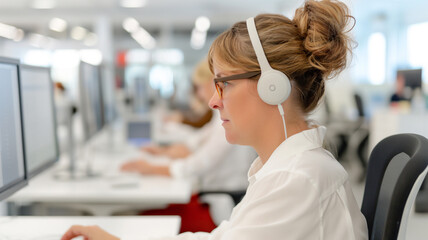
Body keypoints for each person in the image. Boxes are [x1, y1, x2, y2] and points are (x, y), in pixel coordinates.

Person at [61, 0, 369, 239]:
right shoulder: (285, 169)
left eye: (225, 84)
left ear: (271, 87)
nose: (212, 100)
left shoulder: (298, 179)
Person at [122, 58, 256, 232]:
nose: (200, 95)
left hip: (216, 205)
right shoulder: (219, 116)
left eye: (200, 87)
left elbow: (197, 165)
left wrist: (151, 168)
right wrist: (162, 152)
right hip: (209, 194)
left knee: (138, 217)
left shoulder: (231, 118)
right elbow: (197, 141)